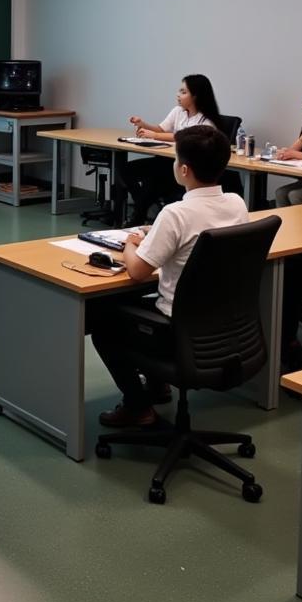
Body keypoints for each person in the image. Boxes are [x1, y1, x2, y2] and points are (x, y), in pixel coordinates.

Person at [91, 125, 249, 427]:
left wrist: (129, 244)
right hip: (221, 324)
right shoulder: (236, 203)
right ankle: (158, 385)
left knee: (103, 323)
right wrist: (159, 236)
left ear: (184, 169)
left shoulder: (175, 213)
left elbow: (137, 271)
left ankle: (138, 407)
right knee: (142, 303)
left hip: (178, 328)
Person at [121, 75, 224, 224]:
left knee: (152, 183)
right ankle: (142, 205)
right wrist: (144, 125)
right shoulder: (178, 111)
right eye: (179, 91)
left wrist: (155, 135)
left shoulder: (206, 121)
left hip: (185, 167)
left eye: (183, 92)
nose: (178, 95)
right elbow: (161, 129)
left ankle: (140, 211)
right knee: (126, 170)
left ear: (195, 96)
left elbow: (187, 139)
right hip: (165, 161)